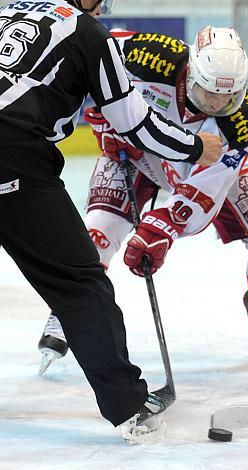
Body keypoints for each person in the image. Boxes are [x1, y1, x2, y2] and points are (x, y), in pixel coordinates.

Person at [37, 26, 248, 375]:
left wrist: (162, 227)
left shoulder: (240, 123)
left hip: (203, 162)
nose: (217, 104)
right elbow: (91, 53)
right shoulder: (147, 55)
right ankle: (68, 310)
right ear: (191, 71)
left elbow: (203, 194)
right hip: (137, 148)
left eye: (227, 97)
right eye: (207, 93)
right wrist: (97, 110)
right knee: (98, 231)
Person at [0, 0, 223, 441]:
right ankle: (129, 406)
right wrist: (196, 148)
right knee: (80, 284)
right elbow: (136, 123)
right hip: (12, 156)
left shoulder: (9, 11)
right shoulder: (87, 32)